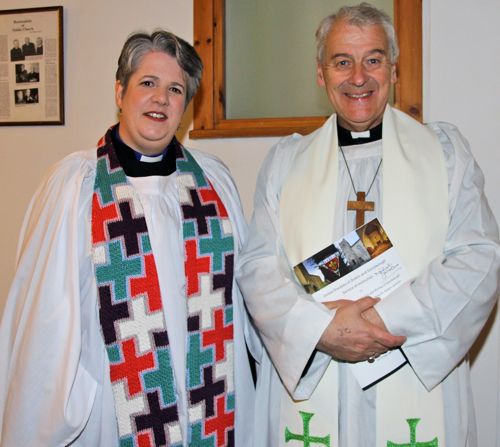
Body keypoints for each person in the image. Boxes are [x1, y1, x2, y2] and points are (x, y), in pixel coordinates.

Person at [236, 3, 500, 446]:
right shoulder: (287, 163)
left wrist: (382, 322)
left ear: (394, 70)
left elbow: (478, 258)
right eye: (343, 62)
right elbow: (258, 268)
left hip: (411, 365)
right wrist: (321, 332)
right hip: (320, 372)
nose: (358, 77)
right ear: (321, 74)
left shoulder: (444, 154)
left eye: (373, 60)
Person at [0, 29, 258, 446]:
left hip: (208, 390)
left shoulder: (213, 182)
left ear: (186, 106)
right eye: (148, 83)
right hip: (113, 395)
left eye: (175, 89)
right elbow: (44, 315)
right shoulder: (75, 184)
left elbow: (246, 293)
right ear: (121, 91)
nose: (161, 99)